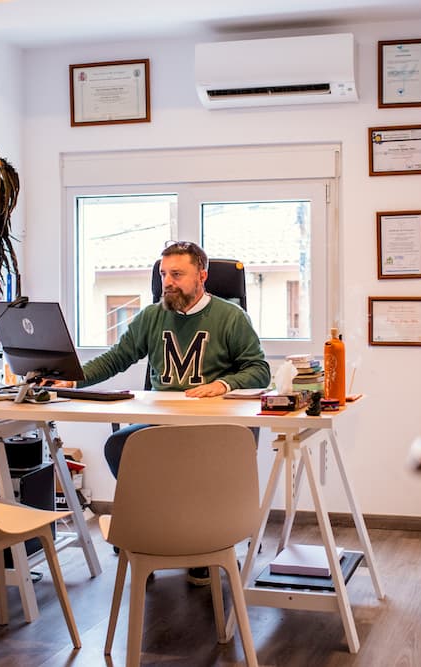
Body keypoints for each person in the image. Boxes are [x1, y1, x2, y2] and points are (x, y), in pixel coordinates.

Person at [66, 241, 270, 584]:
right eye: (163, 274)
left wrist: (223, 385)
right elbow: (116, 358)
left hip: (211, 425)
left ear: (202, 276)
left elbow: (259, 370)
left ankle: (200, 540)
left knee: (195, 463)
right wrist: (70, 378)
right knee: (120, 445)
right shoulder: (152, 316)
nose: (168, 282)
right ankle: (156, 536)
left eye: (177, 274)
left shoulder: (231, 317)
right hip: (160, 421)